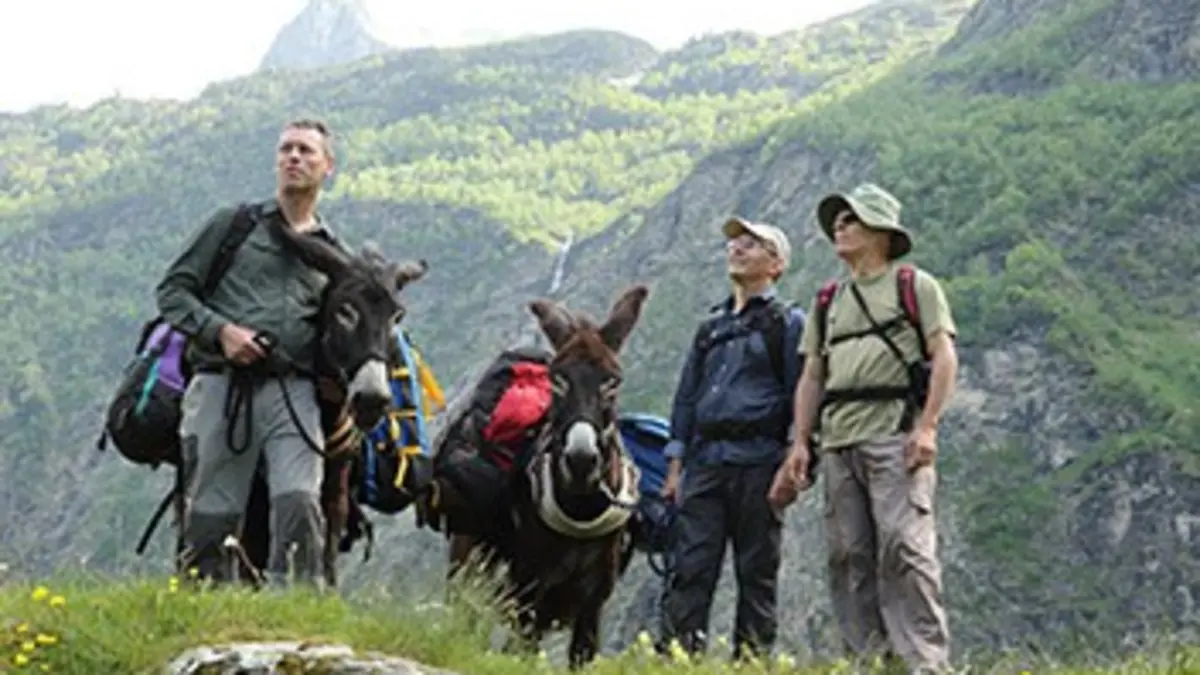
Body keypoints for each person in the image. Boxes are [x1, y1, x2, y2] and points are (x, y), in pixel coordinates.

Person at [155, 118, 348, 588]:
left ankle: (296, 606)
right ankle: (204, 601)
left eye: (305, 150)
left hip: (293, 390)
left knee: (300, 498)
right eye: (286, 149)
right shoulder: (234, 226)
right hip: (221, 383)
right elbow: (173, 292)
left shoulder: (333, 254)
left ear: (328, 166)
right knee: (212, 508)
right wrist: (221, 332)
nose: (293, 157)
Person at [777, 182, 959, 673]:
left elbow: (944, 356)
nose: (839, 228)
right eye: (837, 221)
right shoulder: (827, 299)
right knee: (848, 553)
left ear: (881, 230)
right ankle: (868, 661)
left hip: (895, 434)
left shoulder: (914, 285)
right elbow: (813, 375)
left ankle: (925, 663)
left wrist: (928, 426)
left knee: (905, 546)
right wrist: (800, 442)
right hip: (838, 441)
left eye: (851, 219)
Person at [657, 216, 806, 661]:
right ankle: (678, 661)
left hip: (760, 460)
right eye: (734, 243)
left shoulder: (788, 323)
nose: (737, 249)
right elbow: (686, 399)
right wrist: (675, 467)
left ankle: (751, 663)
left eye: (751, 244)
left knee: (756, 571)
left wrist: (793, 461)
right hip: (706, 461)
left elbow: (801, 394)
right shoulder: (710, 328)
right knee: (689, 566)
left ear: (776, 265)